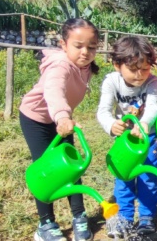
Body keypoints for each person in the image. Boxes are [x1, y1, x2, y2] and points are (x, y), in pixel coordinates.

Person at [19, 18, 99, 241]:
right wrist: (63, 116)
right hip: (37, 120)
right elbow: (54, 90)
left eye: (91, 47)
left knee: (73, 168)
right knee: (46, 171)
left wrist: (64, 119)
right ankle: (46, 224)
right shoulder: (60, 65)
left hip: (63, 122)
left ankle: (79, 216)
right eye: (78, 46)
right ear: (64, 44)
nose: (85, 52)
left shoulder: (85, 68)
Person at [96, 36, 157, 237]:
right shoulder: (111, 82)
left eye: (145, 69)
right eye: (133, 70)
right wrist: (111, 125)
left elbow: (153, 106)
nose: (140, 75)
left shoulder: (153, 82)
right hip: (125, 139)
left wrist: (144, 123)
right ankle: (124, 217)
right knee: (123, 176)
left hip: (149, 136)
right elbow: (103, 110)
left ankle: (146, 217)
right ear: (117, 65)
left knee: (149, 175)